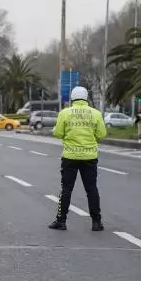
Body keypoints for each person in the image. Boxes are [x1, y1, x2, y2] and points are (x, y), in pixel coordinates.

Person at [49, 86, 107, 231]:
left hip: (70, 156)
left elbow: (57, 133)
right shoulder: (96, 113)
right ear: (86, 98)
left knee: (66, 189)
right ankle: (96, 222)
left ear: (72, 98)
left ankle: (61, 221)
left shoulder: (65, 113)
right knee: (91, 189)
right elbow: (102, 134)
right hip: (90, 157)